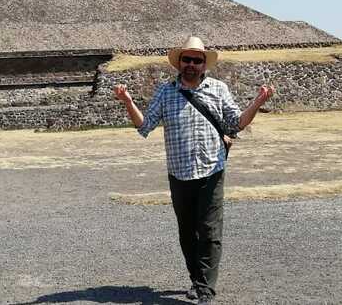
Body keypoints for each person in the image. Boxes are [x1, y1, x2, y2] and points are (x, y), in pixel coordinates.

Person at [113, 36, 275, 305]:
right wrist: (128, 101)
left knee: (210, 231)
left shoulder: (219, 89)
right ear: (179, 63)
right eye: (186, 59)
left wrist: (257, 102)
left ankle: (205, 290)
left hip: (212, 169)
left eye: (197, 60)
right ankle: (196, 280)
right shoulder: (166, 92)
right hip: (179, 173)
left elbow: (236, 123)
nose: (191, 64)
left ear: (204, 65)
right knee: (187, 232)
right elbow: (144, 127)